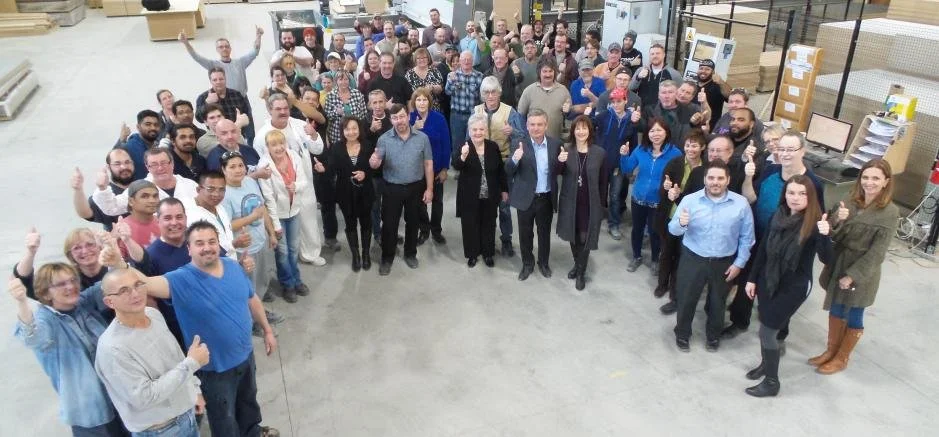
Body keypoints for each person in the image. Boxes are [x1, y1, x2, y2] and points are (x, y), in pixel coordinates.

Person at [101, 222, 279, 437]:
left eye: (212, 241)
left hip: (245, 357)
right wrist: (120, 263)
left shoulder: (232, 266)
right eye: (199, 243)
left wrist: (267, 330)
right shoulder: (180, 279)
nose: (207, 247)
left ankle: (253, 433)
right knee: (225, 419)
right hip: (215, 370)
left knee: (249, 404)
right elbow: (144, 283)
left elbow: (252, 299)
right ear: (189, 249)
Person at [726, 131, 826, 341]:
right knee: (748, 279)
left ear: (803, 151)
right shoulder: (771, 170)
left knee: (780, 289)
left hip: (788, 248)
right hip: (759, 237)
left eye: (791, 149)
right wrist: (748, 177)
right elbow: (751, 197)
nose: (785, 154)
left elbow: (816, 219)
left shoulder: (813, 183)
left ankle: (779, 334)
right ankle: (739, 321)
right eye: (782, 149)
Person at [9, 264, 128, 436]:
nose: (71, 286)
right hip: (90, 413)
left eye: (73, 280)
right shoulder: (46, 320)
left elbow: (111, 284)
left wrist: (114, 257)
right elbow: (32, 337)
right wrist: (22, 303)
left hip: (120, 399)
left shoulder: (83, 303)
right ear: (45, 292)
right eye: (61, 284)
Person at [809, 159, 898, 375]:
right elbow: (830, 231)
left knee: (855, 313)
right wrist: (836, 221)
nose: (869, 182)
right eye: (865, 177)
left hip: (862, 272)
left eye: (876, 178)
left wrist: (852, 276)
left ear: (886, 181)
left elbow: (877, 252)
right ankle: (831, 351)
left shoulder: (890, 213)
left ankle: (842, 357)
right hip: (839, 262)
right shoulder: (849, 202)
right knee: (837, 308)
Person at [742, 175, 827, 397]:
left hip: (793, 286)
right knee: (766, 328)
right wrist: (752, 278)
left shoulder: (815, 225)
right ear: (785, 194)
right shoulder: (777, 216)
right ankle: (766, 364)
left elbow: (828, 259)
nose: (795, 198)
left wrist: (826, 235)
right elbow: (762, 250)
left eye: (802, 194)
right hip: (769, 279)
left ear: (811, 197)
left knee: (767, 331)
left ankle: (772, 382)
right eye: (791, 192)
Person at [93, 268, 206, 435]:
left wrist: (194, 390)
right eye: (124, 290)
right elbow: (145, 397)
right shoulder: (112, 348)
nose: (135, 293)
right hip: (160, 431)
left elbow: (175, 357)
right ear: (110, 302)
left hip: (186, 416)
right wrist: (192, 363)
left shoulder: (153, 314)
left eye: (138, 285)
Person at [668, 160, 755, 352]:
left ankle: (713, 337)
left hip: (724, 263)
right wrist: (681, 224)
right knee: (686, 299)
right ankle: (682, 333)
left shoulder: (740, 204)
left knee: (718, 302)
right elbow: (673, 230)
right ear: (705, 179)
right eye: (711, 178)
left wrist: (739, 264)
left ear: (728, 180)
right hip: (693, 259)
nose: (715, 182)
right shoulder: (690, 200)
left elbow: (747, 238)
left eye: (720, 178)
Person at [368, 104, 435, 275]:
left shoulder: (422, 138)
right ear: (391, 120)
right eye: (395, 118)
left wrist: (429, 189)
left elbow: (428, 164)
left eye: (402, 116)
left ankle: (410, 253)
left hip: (416, 187)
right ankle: (387, 257)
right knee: (389, 225)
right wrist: (373, 162)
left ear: (408, 116)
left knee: (413, 223)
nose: (399, 121)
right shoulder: (384, 139)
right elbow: (376, 160)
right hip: (392, 188)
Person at [620, 118, 683, 274]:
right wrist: (624, 156)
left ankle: (655, 259)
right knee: (637, 230)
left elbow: (680, 176)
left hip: (659, 201)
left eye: (659, 130)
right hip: (638, 198)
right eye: (652, 131)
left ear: (666, 132)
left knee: (656, 232)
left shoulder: (675, 153)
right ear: (647, 133)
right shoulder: (641, 150)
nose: (655, 134)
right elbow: (627, 169)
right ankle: (636, 257)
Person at [506, 109, 562, 281]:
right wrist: (514, 159)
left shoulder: (555, 144)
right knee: (525, 234)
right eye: (532, 124)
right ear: (527, 126)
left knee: (544, 234)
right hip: (525, 198)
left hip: (545, 198)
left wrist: (563, 162)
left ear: (546, 125)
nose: (536, 128)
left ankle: (543, 263)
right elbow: (508, 171)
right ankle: (527, 264)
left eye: (539, 124)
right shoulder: (518, 144)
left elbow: (560, 170)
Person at [474, 76, 527, 256]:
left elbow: (522, 137)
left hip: (503, 164)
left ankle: (506, 240)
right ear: (482, 94)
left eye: (494, 92)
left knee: (504, 205)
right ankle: (483, 239)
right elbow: (469, 138)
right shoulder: (476, 111)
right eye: (487, 92)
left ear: (499, 93)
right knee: (483, 205)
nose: (490, 96)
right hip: (481, 165)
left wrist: (513, 132)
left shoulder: (510, 112)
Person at [655, 129, 705, 315]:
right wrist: (666, 190)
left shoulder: (705, 169)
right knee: (666, 253)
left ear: (702, 147)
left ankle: (675, 292)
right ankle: (662, 284)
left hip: (692, 221)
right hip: (671, 216)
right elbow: (663, 189)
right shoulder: (674, 163)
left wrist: (678, 195)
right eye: (687, 145)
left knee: (682, 258)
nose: (690, 149)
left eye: (694, 145)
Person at [258, 130, 311, 302]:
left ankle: (297, 280)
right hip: (278, 215)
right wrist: (276, 225)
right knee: (282, 252)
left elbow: (304, 181)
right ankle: (287, 284)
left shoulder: (294, 156)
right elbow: (268, 199)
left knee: (294, 249)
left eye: (281, 143)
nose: (279, 147)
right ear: (267, 147)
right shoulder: (264, 166)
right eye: (274, 144)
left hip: (294, 211)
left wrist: (296, 186)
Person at [555, 115, 608, 290]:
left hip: (590, 204)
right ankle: (577, 265)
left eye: (584, 128)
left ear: (589, 131)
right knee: (573, 235)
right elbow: (557, 173)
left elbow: (603, 181)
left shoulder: (599, 153)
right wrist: (559, 162)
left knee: (585, 238)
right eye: (577, 128)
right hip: (570, 201)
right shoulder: (566, 149)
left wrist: (602, 205)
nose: (581, 131)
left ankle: (580, 272)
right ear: (573, 131)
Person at [317, 117, 375, 271]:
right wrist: (323, 170)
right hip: (345, 193)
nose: (351, 132)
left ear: (359, 129)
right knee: (350, 224)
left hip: (365, 192)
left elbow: (375, 169)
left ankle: (366, 254)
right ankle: (356, 255)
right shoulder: (336, 148)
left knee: (366, 223)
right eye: (347, 129)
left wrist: (365, 173)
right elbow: (331, 169)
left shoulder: (368, 146)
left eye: (354, 128)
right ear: (343, 131)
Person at [452, 114, 508, 268]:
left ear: (486, 131)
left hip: (490, 194)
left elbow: (500, 171)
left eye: (481, 129)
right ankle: (472, 254)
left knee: (489, 224)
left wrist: (504, 189)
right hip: (469, 196)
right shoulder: (464, 146)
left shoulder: (493, 147)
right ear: (469, 130)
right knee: (470, 224)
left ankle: (488, 253)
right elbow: (456, 165)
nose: (478, 132)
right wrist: (463, 156)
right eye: (474, 129)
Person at [221, 151, 278, 302]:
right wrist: (251, 218)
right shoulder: (224, 194)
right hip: (243, 250)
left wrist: (271, 233)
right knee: (246, 286)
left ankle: (259, 302)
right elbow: (226, 226)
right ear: (223, 170)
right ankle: (253, 318)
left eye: (240, 165)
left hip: (260, 242)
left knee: (261, 278)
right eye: (232, 167)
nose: (238, 169)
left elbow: (262, 208)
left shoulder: (250, 182)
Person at [591, 88, 640, 241]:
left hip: (619, 165)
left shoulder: (632, 120)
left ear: (625, 101)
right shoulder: (604, 116)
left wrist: (630, 165)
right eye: (613, 102)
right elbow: (588, 125)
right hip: (601, 163)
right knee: (599, 192)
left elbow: (633, 144)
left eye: (619, 101)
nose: (616, 104)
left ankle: (614, 224)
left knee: (615, 195)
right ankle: (596, 217)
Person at [92, 148, 200, 216]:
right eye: (154, 164)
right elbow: (112, 208)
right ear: (147, 167)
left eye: (164, 163)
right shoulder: (139, 188)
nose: (160, 168)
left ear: (172, 164)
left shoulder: (190, 185)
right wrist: (102, 188)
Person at [409, 88, 451, 245]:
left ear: (429, 102)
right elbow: (405, 142)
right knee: (420, 202)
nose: (421, 102)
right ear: (414, 102)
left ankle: (436, 230)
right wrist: (414, 129)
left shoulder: (439, 118)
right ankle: (424, 229)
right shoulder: (410, 119)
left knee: (437, 201)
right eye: (418, 100)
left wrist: (445, 168)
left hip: (437, 167)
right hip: (417, 169)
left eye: (424, 99)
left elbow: (447, 143)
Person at [180, 27, 263, 96]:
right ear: (217, 50)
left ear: (230, 49)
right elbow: (196, 57)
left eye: (227, 46)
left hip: (242, 98)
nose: (224, 49)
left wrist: (258, 36)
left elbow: (255, 51)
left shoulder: (240, 62)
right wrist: (186, 43)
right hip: (224, 99)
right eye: (221, 47)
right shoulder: (213, 65)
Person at [71, 148, 135, 231]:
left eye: (127, 162)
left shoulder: (143, 184)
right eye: (117, 164)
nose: (123, 167)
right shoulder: (105, 192)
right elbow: (86, 213)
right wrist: (78, 190)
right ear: (108, 167)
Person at [195, 67, 255, 146]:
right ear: (210, 81)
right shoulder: (203, 97)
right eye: (215, 80)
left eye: (221, 79)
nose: (218, 82)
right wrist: (207, 103)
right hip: (216, 141)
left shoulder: (236, 94)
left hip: (239, 137)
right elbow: (199, 119)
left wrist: (249, 137)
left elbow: (246, 115)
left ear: (225, 79)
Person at [517, 58, 572, 139]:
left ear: (555, 72)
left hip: (555, 141)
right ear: (539, 72)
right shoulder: (529, 91)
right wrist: (526, 135)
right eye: (545, 71)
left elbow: (568, 118)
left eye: (550, 71)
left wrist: (568, 112)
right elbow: (520, 115)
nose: (548, 74)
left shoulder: (563, 91)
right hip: (533, 142)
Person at [445, 51, 484, 151]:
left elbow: (482, 98)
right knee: (457, 144)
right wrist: (452, 81)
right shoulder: (453, 75)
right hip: (456, 116)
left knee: (473, 143)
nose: (466, 61)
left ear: (473, 61)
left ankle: (471, 165)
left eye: (469, 59)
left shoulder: (479, 76)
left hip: (473, 115)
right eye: (464, 59)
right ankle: (457, 166)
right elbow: (447, 92)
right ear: (460, 61)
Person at [639, 80, 695, 147]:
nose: (667, 96)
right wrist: (636, 121)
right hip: (652, 151)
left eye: (670, 92)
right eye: (663, 92)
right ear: (658, 95)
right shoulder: (649, 110)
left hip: (676, 153)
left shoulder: (688, 112)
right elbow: (642, 130)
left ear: (676, 94)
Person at [629, 44, 681, 109]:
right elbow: (630, 88)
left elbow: (680, 94)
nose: (655, 56)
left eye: (658, 53)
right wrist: (638, 78)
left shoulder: (674, 74)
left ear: (664, 55)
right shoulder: (641, 70)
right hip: (642, 111)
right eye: (652, 54)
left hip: (663, 113)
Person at [324, 72, 368, 145]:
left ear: (349, 81)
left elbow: (363, 114)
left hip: (355, 133)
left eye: (346, 79)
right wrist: (336, 112)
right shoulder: (330, 95)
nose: (343, 82)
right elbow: (327, 116)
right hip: (337, 135)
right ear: (336, 81)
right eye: (340, 79)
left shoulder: (357, 93)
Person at [120, 109, 162, 181]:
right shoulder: (130, 147)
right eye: (148, 124)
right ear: (138, 127)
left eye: (156, 125)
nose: (153, 128)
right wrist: (121, 140)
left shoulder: (159, 147)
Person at [696, 59, 732, 129]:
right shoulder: (694, 84)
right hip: (692, 123)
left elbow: (730, 97)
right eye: (701, 68)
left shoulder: (717, 86)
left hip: (710, 126)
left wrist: (721, 82)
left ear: (713, 72)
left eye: (707, 69)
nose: (703, 71)